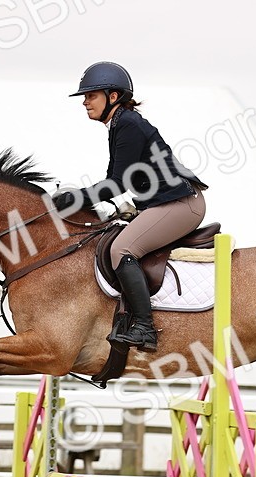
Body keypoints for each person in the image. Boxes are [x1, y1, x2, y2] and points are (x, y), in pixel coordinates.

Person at [52, 62, 207, 353]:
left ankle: (145, 328)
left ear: (113, 96)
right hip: (164, 203)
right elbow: (115, 181)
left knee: (121, 249)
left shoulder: (128, 124)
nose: (85, 102)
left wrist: (76, 199)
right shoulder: (120, 124)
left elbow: (116, 184)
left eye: (91, 95)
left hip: (181, 204)